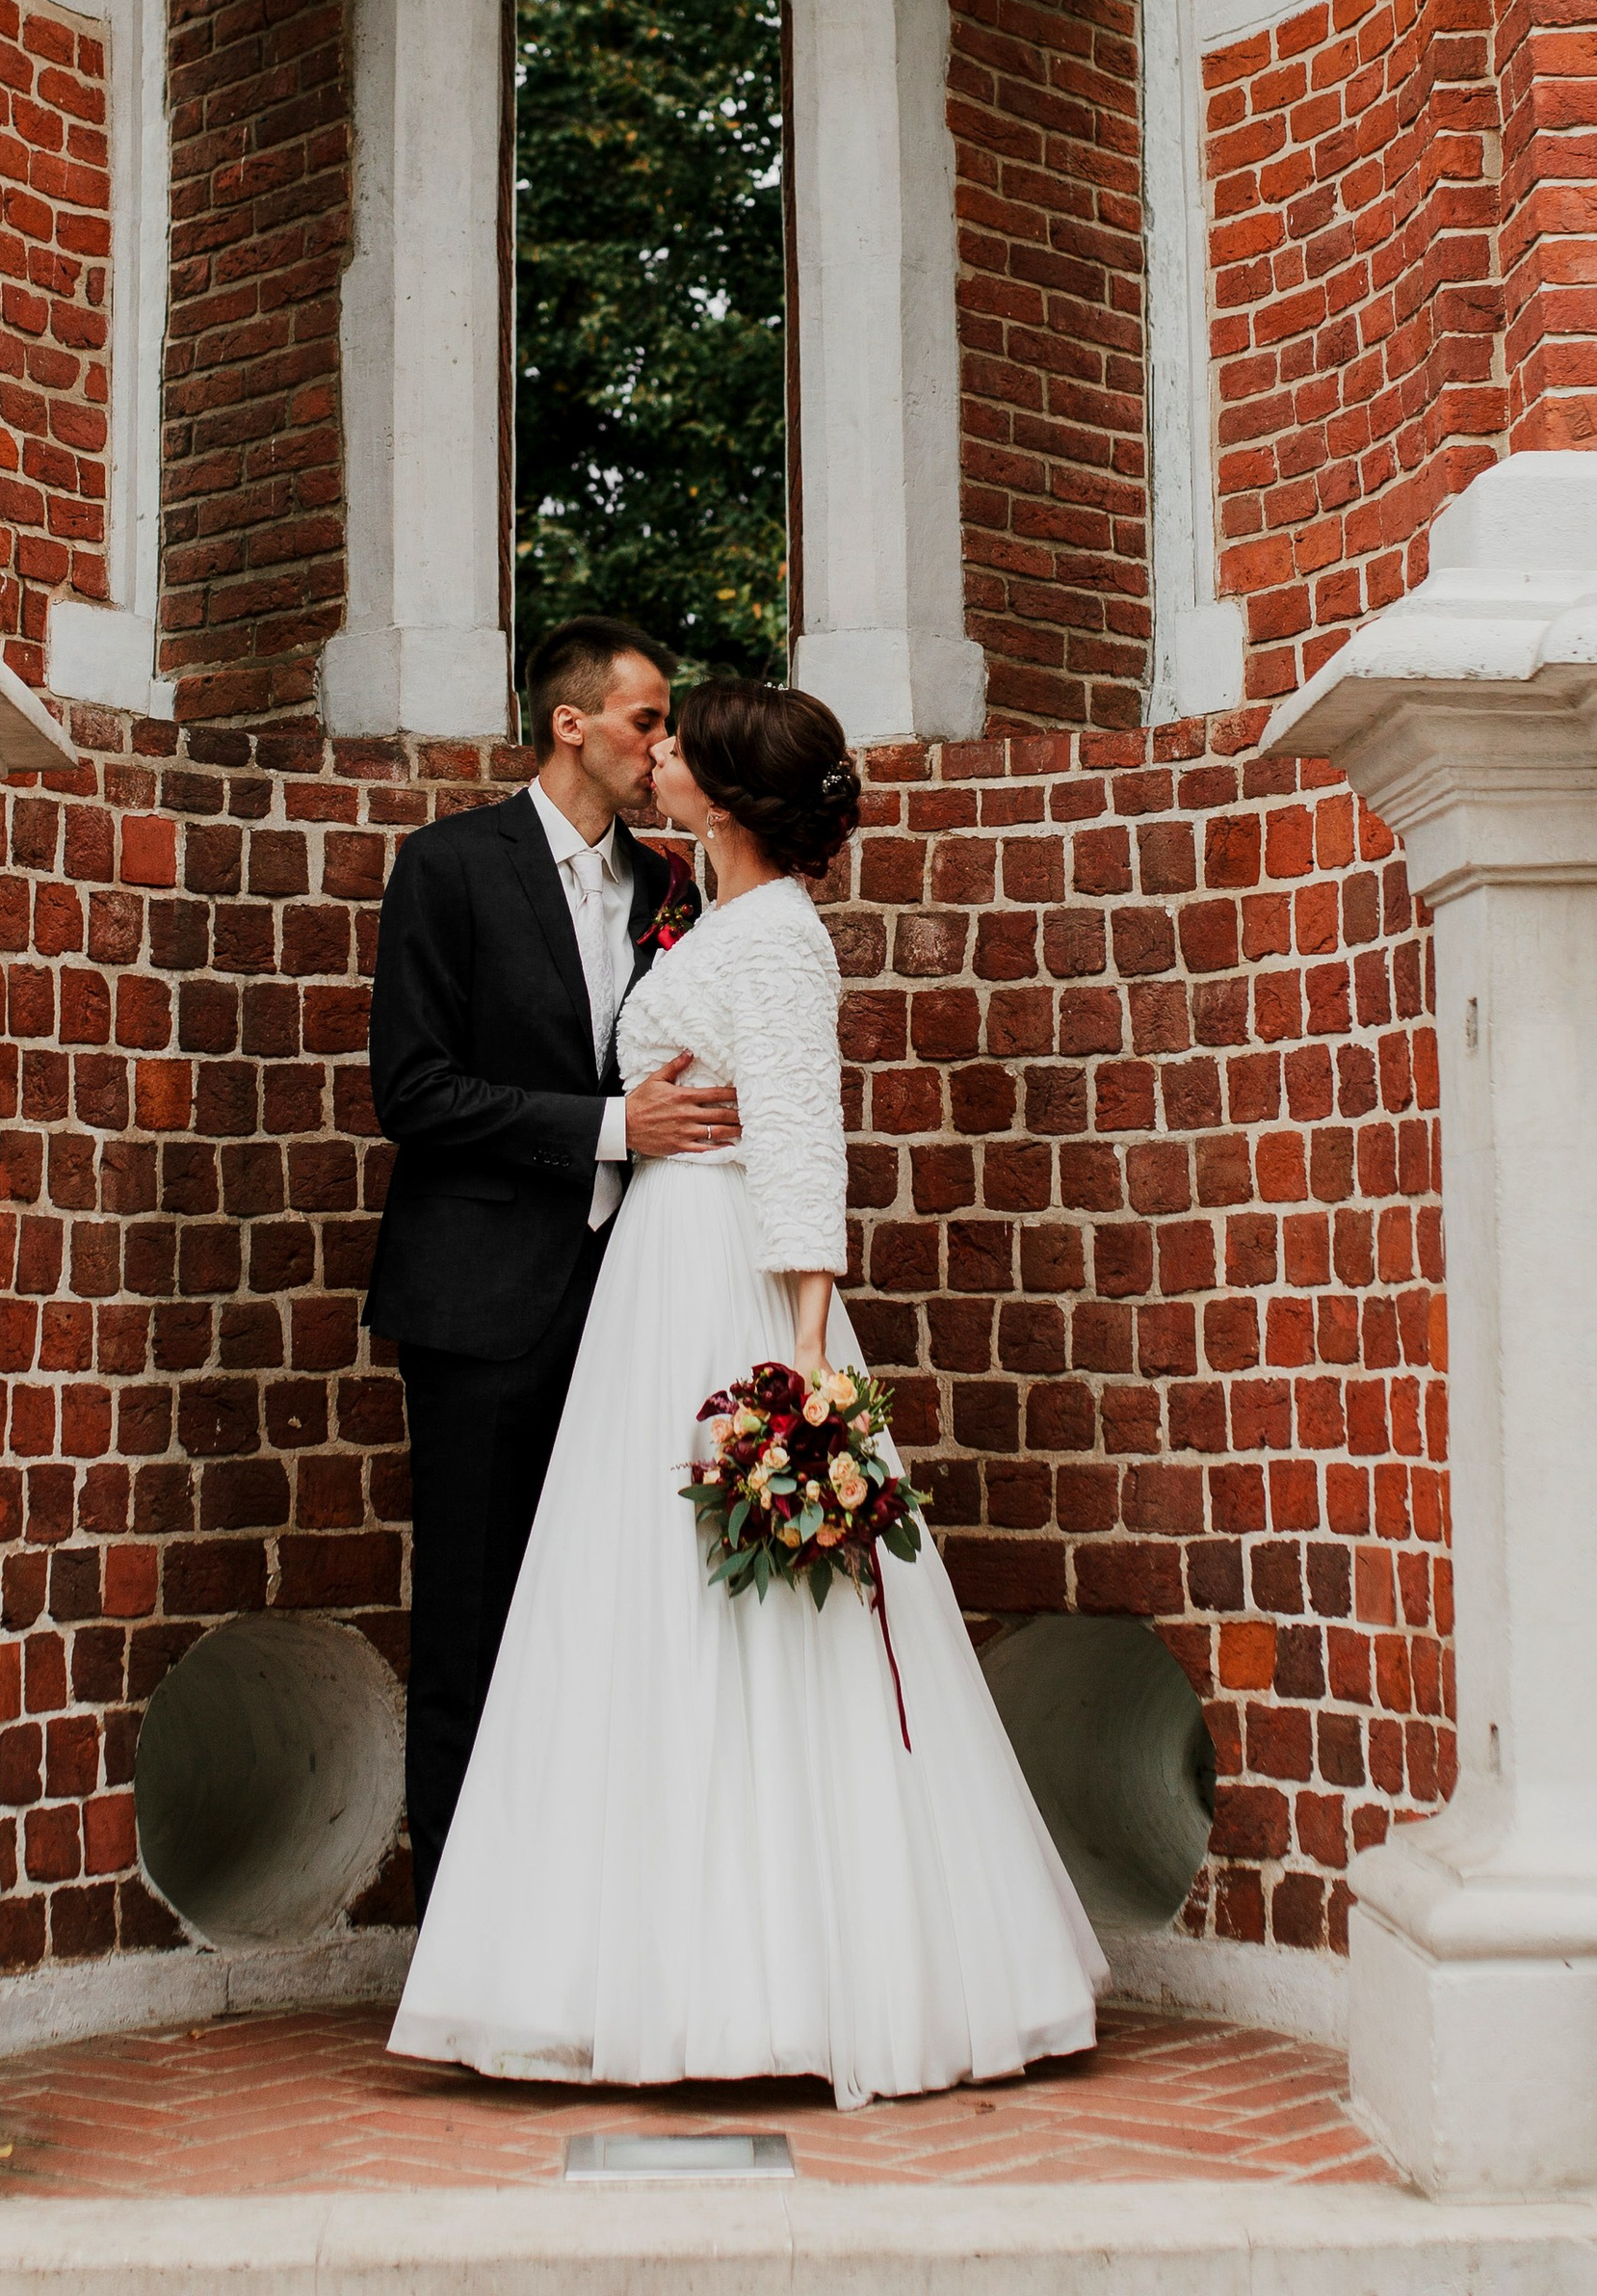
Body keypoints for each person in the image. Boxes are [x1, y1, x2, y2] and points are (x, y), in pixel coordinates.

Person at [389, 675, 1107, 2107]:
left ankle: (778, 1979)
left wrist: (806, 1372)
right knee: (633, 1621)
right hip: (646, 1281)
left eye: (678, 748)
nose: (655, 761)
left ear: (717, 794)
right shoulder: (711, 912)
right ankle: (620, 1960)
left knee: (755, 1627)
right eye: (645, 733)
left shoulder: (774, 939)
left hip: (718, 1278)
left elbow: (802, 1153)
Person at [363, 615, 745, 1913]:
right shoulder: (447, 867)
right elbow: (411, 1091)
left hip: (631, 1303)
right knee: (470, 1621)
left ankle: (589, 1916)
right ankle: (462, 1932)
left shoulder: (669, 892)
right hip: (479, 1309)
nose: (664, 743)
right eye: (648, 718)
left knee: (610, 1613)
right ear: (571, 723)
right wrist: (604, 1129)